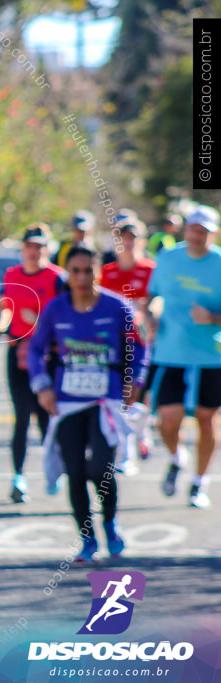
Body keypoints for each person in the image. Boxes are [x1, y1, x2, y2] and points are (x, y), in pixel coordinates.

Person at [28, 245, 147, 562]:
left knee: (100, 468)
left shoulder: (117, 307)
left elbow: (138, 346)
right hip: (67, 403)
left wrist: (134, 379)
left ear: (98, 272)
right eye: (75, 271)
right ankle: (87, 538)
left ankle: (110, 523)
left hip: (105, 401)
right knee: (76, 471)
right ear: (68, 273)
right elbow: (35, 350)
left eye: (88, 270)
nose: (82, 277)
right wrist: (42, 386)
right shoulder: (55, 309)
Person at [146, 205, 221, 509]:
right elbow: (153, 296)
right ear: (185, 229)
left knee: (206, 420)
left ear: (212, 234)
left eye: (203, 231)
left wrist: (213, 317)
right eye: (192, 229)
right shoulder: (168, 258)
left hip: (210, 356)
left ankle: (199, 482)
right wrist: (150, 314)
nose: (196, 236)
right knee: (167, 421)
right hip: (170, 352)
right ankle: (178, 458)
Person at [0, 224, 65, 503]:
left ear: (48, 250)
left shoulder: (58, 278)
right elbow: (6, 305)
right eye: (30, 246)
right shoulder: (12, 274)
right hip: (19, 352)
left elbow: (68, 315)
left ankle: (54, 469)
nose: (35, 252)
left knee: (47, 416)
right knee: (21, 417)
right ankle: (18, 477)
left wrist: (41, 323)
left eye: (40, 247)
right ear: (23, 249)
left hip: (49, 356)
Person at [100, 219, 156, 465]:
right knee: (119, 396)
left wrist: (151, 312)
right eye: (123, 238)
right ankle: (127, 450)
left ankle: (140, 433)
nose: (128, 242)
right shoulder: (108, 272)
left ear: (141, 240)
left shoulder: (150, 270)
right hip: (114, 345)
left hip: (142, 342)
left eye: (133, 238)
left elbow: (158, 301)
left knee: (136, 394)